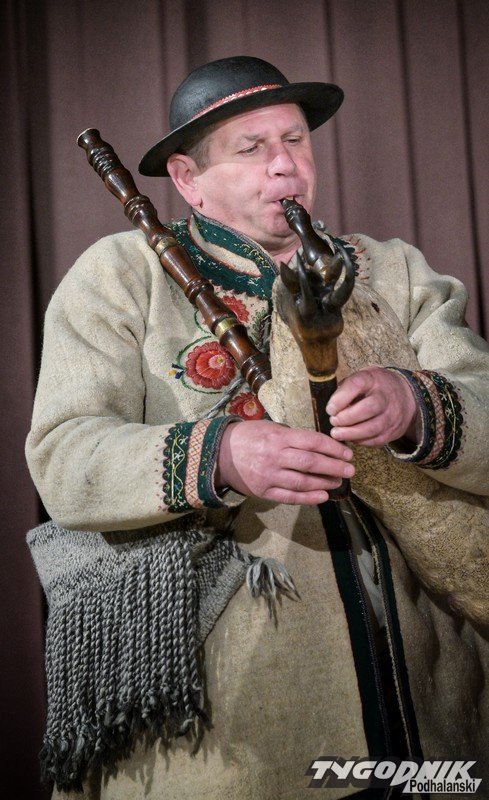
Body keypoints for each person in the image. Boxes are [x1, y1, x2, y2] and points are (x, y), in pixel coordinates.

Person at [26, 56, 489, 800]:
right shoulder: (121, 275)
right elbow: (63, 454)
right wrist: (221, 453)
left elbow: (481, 397)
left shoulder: (393, 270)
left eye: (295, 140)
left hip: (428, 695)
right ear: (188, 179)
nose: (285, 165)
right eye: (251, 148)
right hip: (228, 720)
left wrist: (414, 404)